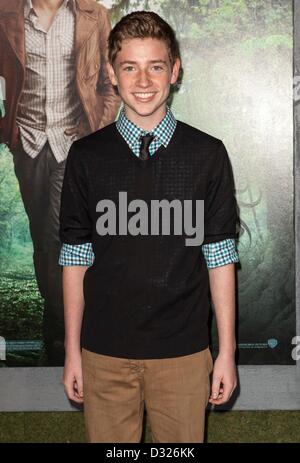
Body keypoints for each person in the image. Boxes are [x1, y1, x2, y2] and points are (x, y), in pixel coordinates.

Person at [59, 10, 239, 443]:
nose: (143, 81)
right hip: (103, 353)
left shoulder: (207, 155)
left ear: (174, 71)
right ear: (111, 74)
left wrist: (227, 352)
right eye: (130, 67)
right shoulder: (85, 157)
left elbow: (219, 258)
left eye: (155, 66)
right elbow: (75, 259)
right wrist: (71, 352)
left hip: (183, 354)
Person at [0, 0, 120, 365]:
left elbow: (109, 82)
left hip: (75, 146)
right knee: (43, 241)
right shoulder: (7, 13)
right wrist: (8, 129)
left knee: (60, 235)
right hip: (30, 145)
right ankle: (57, 324)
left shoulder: (92, 15)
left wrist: (94, 131)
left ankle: (65, 335)